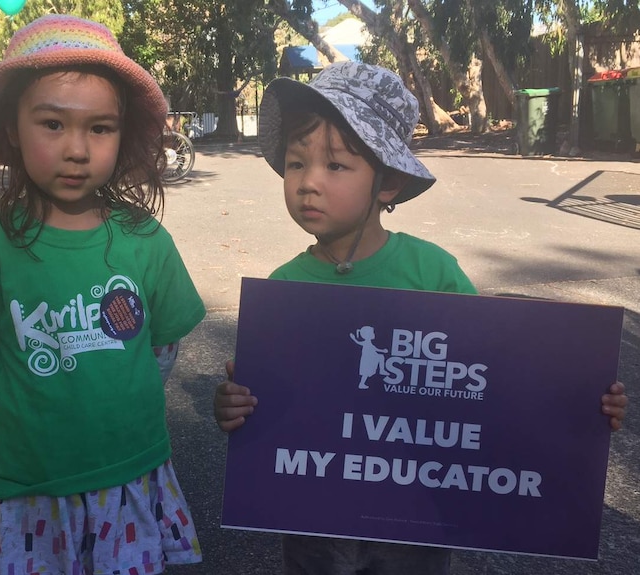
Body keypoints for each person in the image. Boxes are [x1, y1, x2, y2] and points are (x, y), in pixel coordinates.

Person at [213, 61, 629, 575]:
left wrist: (580, 406)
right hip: (314, 521)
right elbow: (263, 409)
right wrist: (232, 406)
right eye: (296, 163)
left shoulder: (432, 273)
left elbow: (493, 379)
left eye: (336, 166)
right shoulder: (281, 291)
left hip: (418, 519)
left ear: (386, 183)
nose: (308, 183)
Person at [0, 14, 206, 575]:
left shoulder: (147, 241)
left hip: (132, 470)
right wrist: (23, 421)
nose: (77, 149)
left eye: (100, 128)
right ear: (11, 130)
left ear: (123, 136)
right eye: (52, 123)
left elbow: (160, 351)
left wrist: (112, 401)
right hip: (34, 484)